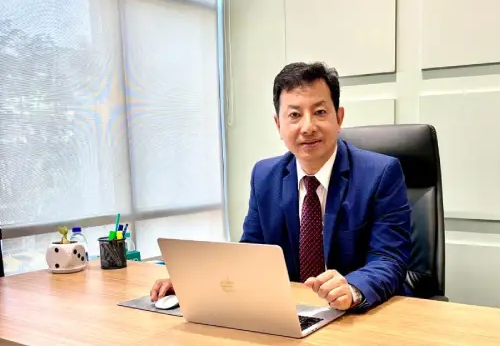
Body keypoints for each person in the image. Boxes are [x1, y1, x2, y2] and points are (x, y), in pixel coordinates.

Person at [151, 61, 412, 311]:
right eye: (294, 115)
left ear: (339, 118)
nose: (308, 127)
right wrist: (197, 281)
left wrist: (353, 289)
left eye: (320, 112)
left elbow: (389, 259)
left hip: (358, 316)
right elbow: (252, 254)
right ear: (278, 124)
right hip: (291, 312)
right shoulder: (265, 176)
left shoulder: (380, 173)